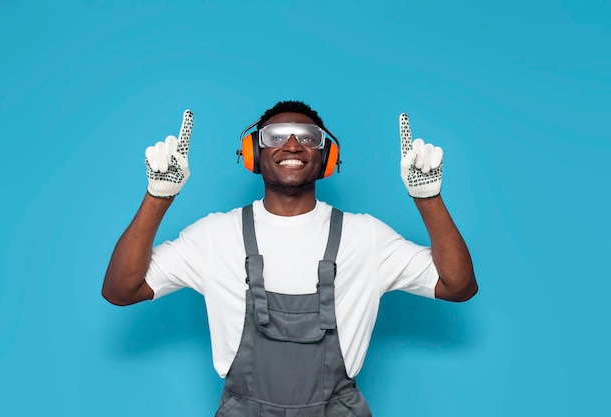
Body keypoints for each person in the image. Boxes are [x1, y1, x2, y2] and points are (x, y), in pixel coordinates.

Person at [102, 101, 477, 416]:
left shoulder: (366, 237)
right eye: (276, 137)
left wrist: (428, 199)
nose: (293, 145)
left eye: (308, 137)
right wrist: (158, 196)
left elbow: (458, 287)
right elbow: (121, 289)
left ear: (327, 156)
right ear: (253, 153)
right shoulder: (215, 235)